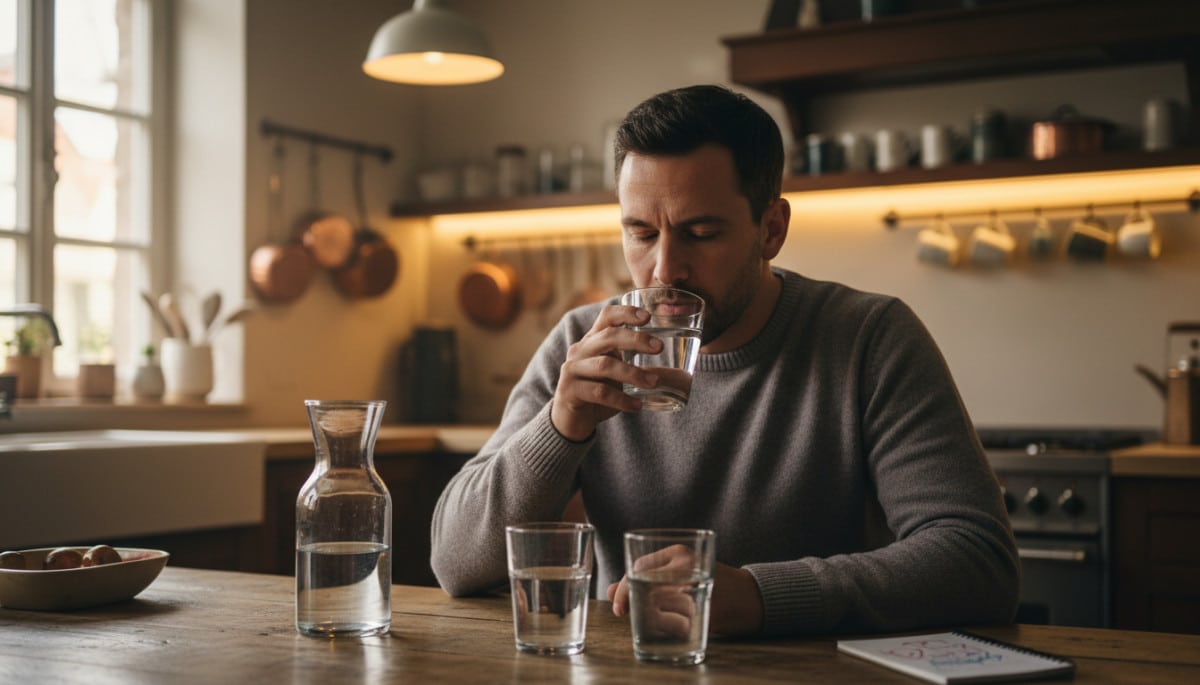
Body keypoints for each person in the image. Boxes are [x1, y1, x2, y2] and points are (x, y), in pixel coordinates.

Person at [431, 84, 1019, 637]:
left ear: (771, 229)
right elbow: (453, 562)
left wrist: (764, 597)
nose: (664, 270)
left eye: (701, 233)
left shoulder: (869, 337)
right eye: (640, 233)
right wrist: (560, 428)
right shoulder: (582, 342)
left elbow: (977, 561)